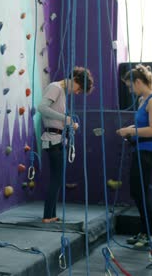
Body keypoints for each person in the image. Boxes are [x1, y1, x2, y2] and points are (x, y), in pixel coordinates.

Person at [37, 67, 94, 223]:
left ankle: (51, 214)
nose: (77, 92)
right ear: (75, 79)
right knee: (56, 178)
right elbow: (41, 108)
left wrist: (69, 124)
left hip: (58, 139)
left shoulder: (60, 91)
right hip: (53, 139)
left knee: (58, 178)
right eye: (79, 88)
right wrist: (65, 118)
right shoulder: (55, 87)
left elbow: (55, 116)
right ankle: (48, 215)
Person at [117, 64, 152, 248]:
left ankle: (149, 233)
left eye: (130, 86)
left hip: (148, 153)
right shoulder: (142, 101)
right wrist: (130, 133)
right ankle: (144, 231)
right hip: (139, 150)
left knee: (141, 193)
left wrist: (131, 130)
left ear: (138, 82)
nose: (130, 89)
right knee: (136, 193)